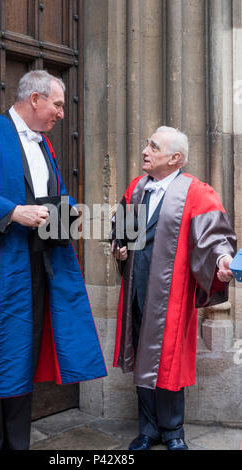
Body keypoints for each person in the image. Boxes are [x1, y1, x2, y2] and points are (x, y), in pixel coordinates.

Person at [0, 70, 106, 450]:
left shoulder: (44, 146)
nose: (62, 114)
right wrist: (12, 212)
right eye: (58, 104)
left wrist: (72, 216)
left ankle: (18, 444)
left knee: (21, 359)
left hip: (35, 267)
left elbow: (53, 198)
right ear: (35, 99)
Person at [111, 126, 236, 451]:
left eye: (154, 146)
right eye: (147, 143)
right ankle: (148, 430)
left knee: (169, 360)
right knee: (142, 357)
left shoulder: (195, 192)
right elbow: (121, 230)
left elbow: (214, 237)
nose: (145, 150)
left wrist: (223, 259)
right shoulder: (136, 189)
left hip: (172, 296)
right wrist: (120, 245)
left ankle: (172, 430)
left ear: (175, 158)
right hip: (137, 291)